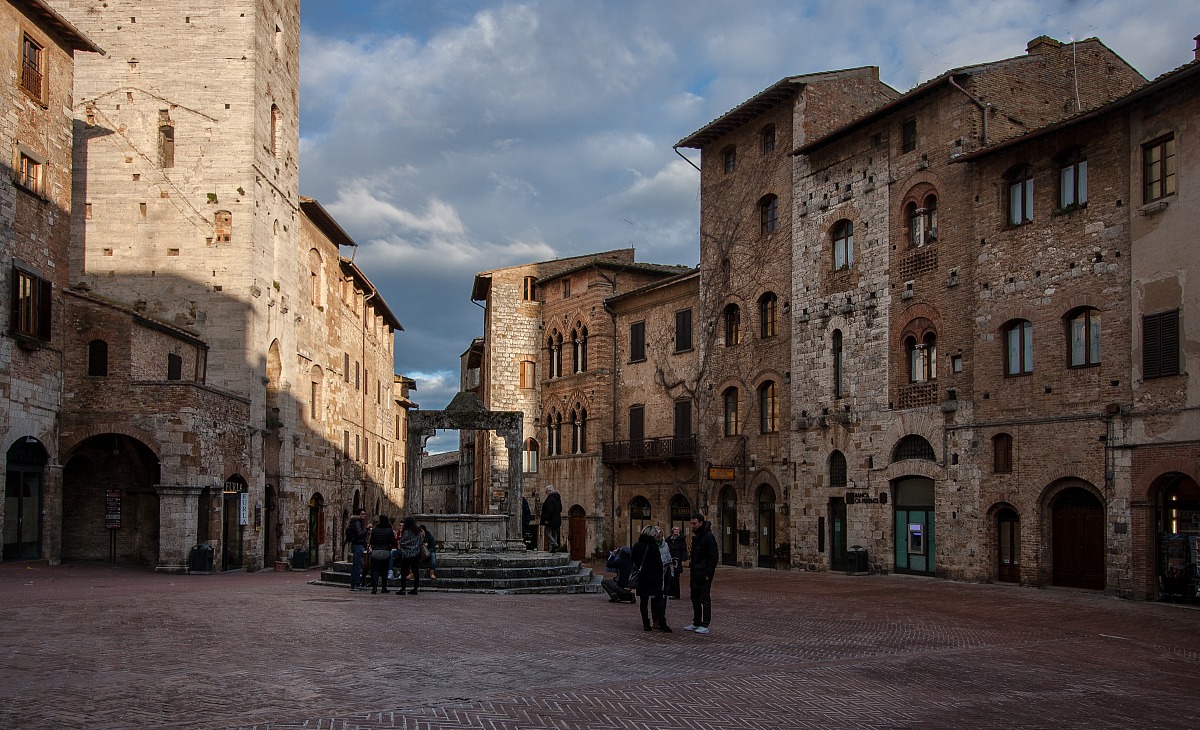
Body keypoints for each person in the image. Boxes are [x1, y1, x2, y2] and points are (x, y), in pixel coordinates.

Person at [631, 525, 670, 632]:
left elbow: (633, 560)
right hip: (653, 576)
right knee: (658, 600)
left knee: (643, 601)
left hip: (642, 577)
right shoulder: (653, 546)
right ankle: (662, 623)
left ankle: (646, 623)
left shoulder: (637, 545)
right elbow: (658, 563)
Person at [685, 512, 718, 634]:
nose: (692, 526)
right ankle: (697, 622)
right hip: (695, 572)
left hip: (703, 573)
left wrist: (708, 573)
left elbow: (713, 556)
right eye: (692, 523)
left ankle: (705, 624)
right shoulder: (697, 537)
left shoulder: (708, 537)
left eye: (694, 523)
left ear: (701, 523)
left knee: (704, 598)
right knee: (695, 598)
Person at [367, 515, 397, 594]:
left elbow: (372, 541)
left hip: (376, 551)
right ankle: (384, 587)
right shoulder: (389, 530)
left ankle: (374, 587)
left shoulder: (375, 530)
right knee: (384, 570)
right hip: (386, 551)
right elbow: (393, 542)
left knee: (375, 570)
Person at [395, 516, 423, 595]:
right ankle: (415, 588)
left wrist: (401, 542)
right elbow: (420, 542)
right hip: (416, 554)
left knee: (404, 571)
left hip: (407, 554)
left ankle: (403, 588)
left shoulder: (406, 532)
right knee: (415, 571)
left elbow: (403, 542)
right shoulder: (417, 531)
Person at [345, 509, 368, 591]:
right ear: (358, 515)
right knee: (357, 565)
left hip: (356, 545)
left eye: (365, 514)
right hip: (358, 545)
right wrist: (367, 529)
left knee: (357, 565)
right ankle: (356, 584)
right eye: (362, 514)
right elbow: (360, 534)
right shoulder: (357, 522)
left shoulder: (355, 522)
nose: (364, 516)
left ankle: (354, 584)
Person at [665, 525, 687, 599]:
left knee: (676, 576)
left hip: (677, 559)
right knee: (670, 576)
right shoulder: (669, 540)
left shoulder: (681, 539)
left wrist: (683, 559)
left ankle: (676, 594)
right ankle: (671, 593)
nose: (676, 531)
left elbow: (684, 550)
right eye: (675, 529)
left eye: (678, 529)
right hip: (670, 559)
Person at [540, 485, 563, 552]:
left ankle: (554, 544)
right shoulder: (558, 499)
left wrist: (546, 518)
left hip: (550, 519)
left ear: (549, 491)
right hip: (557, 519)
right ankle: (554, 549)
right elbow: (560, 509)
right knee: (554, 533)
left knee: (547, 532)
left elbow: (549, 509)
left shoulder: (550, 499)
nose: (546, 493)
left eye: (546, 491)